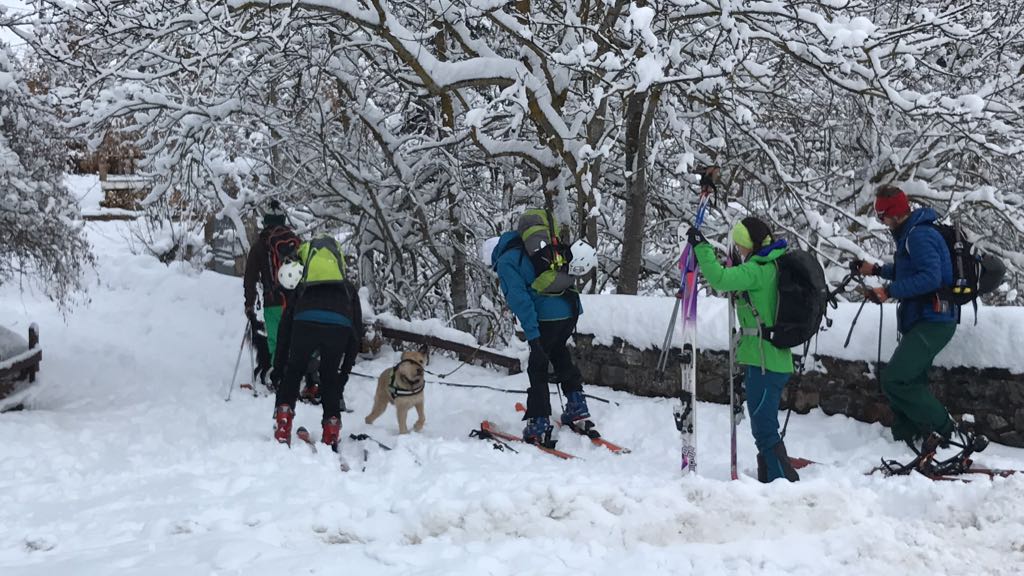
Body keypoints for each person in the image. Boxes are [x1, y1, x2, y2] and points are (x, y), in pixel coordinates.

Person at [850, 185, 985, 464]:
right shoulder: (911, 234)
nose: (881, 222)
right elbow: (907, 270)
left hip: (934, 320)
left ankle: (948, 433)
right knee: (910, 380)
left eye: (882, 216)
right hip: (923, 319)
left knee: (896, 378)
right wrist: (875, 270)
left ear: (895, 213)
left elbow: (931, 278)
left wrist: (889, 291)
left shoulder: (920, 235)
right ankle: (910, 437)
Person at [687, 216, 799, 483]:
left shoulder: (757, 271)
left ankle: (785, 483)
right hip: (768, 359)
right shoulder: (769, 264)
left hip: (766, 363)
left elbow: (720, 279)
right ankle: (770, 478)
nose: (738, 250)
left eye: (740, 245)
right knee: (764, 426)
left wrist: (701, 247)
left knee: (764, 429)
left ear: (748, 244)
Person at [491, 208, 592, 445]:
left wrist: (534, 337)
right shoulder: (544, 248)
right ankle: (577, 404)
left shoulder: (507, 262)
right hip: (569, 311)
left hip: (546, 318)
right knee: (558, 352)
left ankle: (538, 422)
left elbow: (521, 301)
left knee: (537, 366)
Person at [272, 234, 363, 450]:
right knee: (329, 375)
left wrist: (279, 367)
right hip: (339, 326)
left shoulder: (303, 288)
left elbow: (285, 330)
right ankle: (331, 428)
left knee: (294, 370)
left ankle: (284, 421)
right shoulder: (348, 290)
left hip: (305, 321)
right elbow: (356, 334)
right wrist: (344, 375)